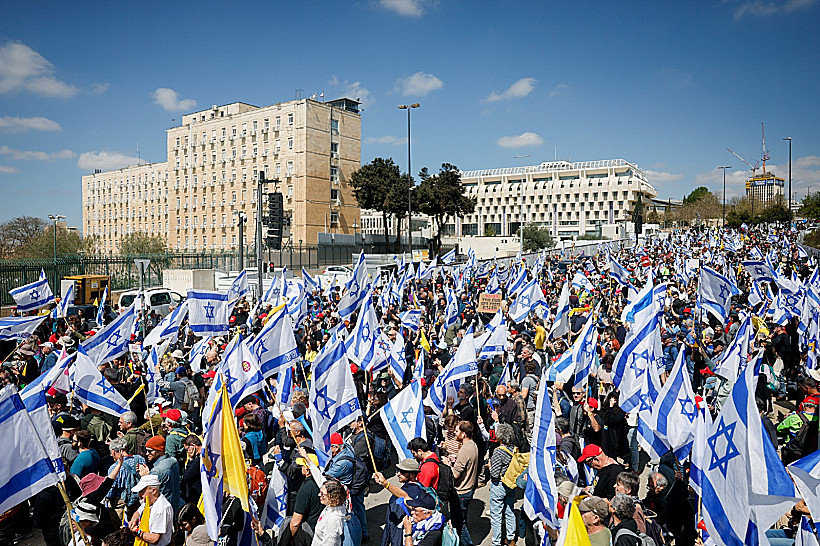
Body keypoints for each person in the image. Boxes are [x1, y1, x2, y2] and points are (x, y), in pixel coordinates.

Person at [374, 459, 422, 546]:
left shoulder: (406, 494)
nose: (398, 474)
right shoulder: (420, 488)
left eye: (402, 472)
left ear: (412, 475)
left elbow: (392, 525)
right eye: (398, 470)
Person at [446, 421, 479, 546]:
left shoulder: (464, 450)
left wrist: (447, 464)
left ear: (464, 434)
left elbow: (455, 475)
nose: (454, 432)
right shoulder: (473, 445)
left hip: (461, 491)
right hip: (469, 488)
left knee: (460, 523)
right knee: (462, 520)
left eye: (457, 431)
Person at [644, 472, 696, 546]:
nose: (650, 489)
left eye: (652, 486)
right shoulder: (653, 494)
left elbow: (663, 518)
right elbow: (646, 501)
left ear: (661, 487)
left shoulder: (666, 499)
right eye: (649, 486)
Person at [283, 453, 324, 546]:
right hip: (320, 530)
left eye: (302, 466)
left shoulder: (305, 490)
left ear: (307, 470)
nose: (301, 468)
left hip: (308, 534)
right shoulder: (323, 483)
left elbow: (295, 523)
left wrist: (288, 539)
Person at [488, 423, 516, 546]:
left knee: (496, 515)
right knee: (510, 510)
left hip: (498, 485)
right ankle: (511, 538)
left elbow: (494, 473)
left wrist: (490, 466)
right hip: (510, 484)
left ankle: (496, 542)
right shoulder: (514, 448)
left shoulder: (498, 452)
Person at [137, 435, 182, 512]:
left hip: (162, 509)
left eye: (150, 451)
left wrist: (146, 477)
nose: (147, 453)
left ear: (160, 450)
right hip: (176, 506)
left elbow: (151, 492)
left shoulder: (157, 471)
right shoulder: (173, 461)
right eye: (146, 450)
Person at [129, 474, 175, 546]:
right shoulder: (148, 501)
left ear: (153, 491)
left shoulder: (161, 509)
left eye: (141, 491)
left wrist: (137, 531)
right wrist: (133, 520)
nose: (139, 495)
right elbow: (138, 512)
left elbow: (154, 539)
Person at [312, 479, 348, 546]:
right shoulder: (335, 507)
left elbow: (330, 543)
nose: (319, 494)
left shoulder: (333, 521)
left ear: (332, 496)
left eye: (322, 493)